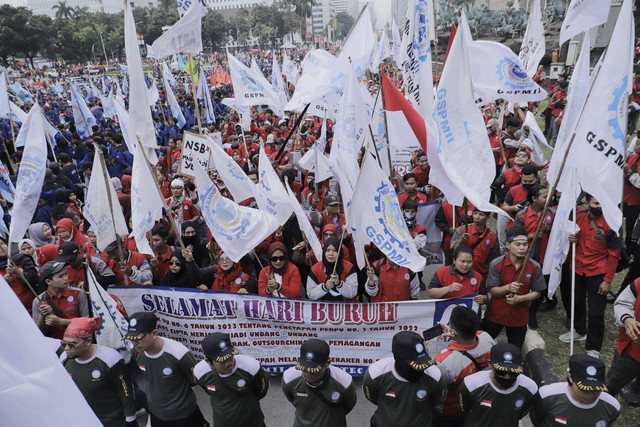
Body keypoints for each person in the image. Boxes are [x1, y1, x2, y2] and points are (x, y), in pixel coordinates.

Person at [559, 195, 622, 358]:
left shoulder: (612, 224)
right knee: (577, 301)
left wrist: (607, 280)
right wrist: (571, 237)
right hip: (577, 267)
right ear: (587, 204)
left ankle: (593, 347)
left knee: (596, 311)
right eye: (595, 202)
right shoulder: (577, 217)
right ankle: (579, 330)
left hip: (598, 272)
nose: (599, 206)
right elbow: (562, 231)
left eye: (601, 202)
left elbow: (614, 255)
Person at [124, 312, 208, 426]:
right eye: (131, 339)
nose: (134, 343)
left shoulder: (179, 353)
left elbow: (194, 379)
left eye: (139, 338)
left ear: (154, 333)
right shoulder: (135, 349)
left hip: (184, 415)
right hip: (156, 413)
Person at [61, 317, 137, 427]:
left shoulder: (110, 359)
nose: (66, 348)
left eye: (72, 345)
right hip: (85, 420)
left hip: (113, 421)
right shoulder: (64, 358)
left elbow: (125, 390)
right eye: (64, 344)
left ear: (88, 341)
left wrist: (130, 418)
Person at [363, 331, 446, 427]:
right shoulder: (375, 373)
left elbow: (437, 400)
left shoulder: (435, 375)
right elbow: (372, 397)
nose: (421, 369)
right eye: (414, 366)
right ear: (398, 359)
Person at [481, 227, 546, 349]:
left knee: (514, 351)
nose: (522, 248)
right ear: (508, 245)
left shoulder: (534, 267)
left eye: (525, 244)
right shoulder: (497, 264)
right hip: (495, 314)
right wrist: (508, 288)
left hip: (519, 317)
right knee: (482, 346)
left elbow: (537, 292)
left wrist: (521, 299)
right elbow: (493, 291)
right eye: (517, 244)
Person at [432, 307, 495, 426]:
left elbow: (435, 391)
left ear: (454, 331)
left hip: (450, 412)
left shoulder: (445, 363)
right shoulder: (486, 338)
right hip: (474, 403)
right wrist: (454, 333)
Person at [194, 333, 269, 427]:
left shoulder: (251, 367)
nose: (228, 363)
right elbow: (208, 391)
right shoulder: (200, 372)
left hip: (253, 422)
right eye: (222, 361)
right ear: (209, 362)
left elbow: (262, 391)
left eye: (230, 357)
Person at [457, 343, 538, 427]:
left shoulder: (530, 388)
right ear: (489, 364)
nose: (507, 377)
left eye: (513, 373)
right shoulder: (471, 385)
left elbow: (521, 413)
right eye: (501, 372)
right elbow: (464, 410)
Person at [282, 338, 357, 427]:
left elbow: (348, 406)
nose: (309, 374)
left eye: (315, 371)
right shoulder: (289, 379)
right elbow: (292, 399)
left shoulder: (344, 382)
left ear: (327, 363)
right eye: (305, 369)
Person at [530, 354, 620, 426]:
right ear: (571, 378)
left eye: (597, 389)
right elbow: (536, 420)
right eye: (585, 390)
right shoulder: (546, 396)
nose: (592, 395)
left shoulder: (612, 406)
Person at [32, 261, 89, 339]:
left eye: (66, 274)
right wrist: (42, 315)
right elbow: (38, 332)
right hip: (55, 345)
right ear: (48, 281)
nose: (66, 278)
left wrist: (60, 321)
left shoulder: (78, 293)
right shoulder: (39, 301)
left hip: (78, 341)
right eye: (60, 276)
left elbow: (87, 321)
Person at [604, 276, 640, 398]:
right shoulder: (639, 283)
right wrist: (627, 318)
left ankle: (635, 391)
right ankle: (603, 403)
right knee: (612, 382)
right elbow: (623, 302)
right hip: (632, 351)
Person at [451, 208, 500, 278]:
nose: (477, 217)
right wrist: (460, 241)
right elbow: (454, 252)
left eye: (481, 214)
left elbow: (494, 258)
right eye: (475, 213)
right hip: (461, 272)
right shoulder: (462, 230)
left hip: (481, 274)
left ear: (488, 218)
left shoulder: (492, 236)